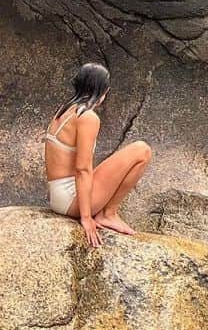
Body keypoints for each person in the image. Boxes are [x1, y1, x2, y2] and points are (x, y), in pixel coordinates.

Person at [43, 62, 152, 246]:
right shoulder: (87, 117)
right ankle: (108, 214)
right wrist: (86, 217)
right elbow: (82, 169)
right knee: (142, 150)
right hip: (71, 200)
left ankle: (106, 213)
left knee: (129, 154)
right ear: (104, 91)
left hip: (57, 196)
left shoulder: (64, 110)